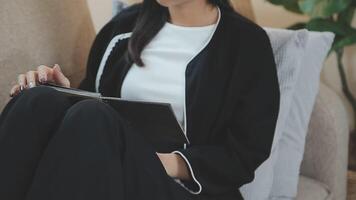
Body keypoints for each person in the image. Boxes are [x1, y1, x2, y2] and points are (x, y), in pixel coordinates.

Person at [0, 0, 280, 199]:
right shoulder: (123, 27)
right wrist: (64, 93)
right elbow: (97, 99)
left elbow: (245, 152)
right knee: (39, 100)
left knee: (91, 118)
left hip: (181, 186)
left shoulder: (247, 44)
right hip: (107, 162)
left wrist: (158, 161)